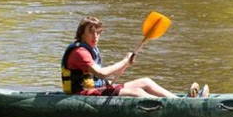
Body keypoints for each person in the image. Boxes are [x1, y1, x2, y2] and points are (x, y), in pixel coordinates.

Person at [61, 16, 208, 98]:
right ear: (82, 33)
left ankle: (181, 102)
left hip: (96, 89)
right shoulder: (80, 52)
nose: (96, 36)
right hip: (82, 94)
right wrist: (124, 60)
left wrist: (126, 65)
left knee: (146, 82)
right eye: (91, 32)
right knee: (137, 92)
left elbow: (103, 78)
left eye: (98, 33)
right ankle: (176, 108)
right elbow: (102, 73)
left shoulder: (90, 49)